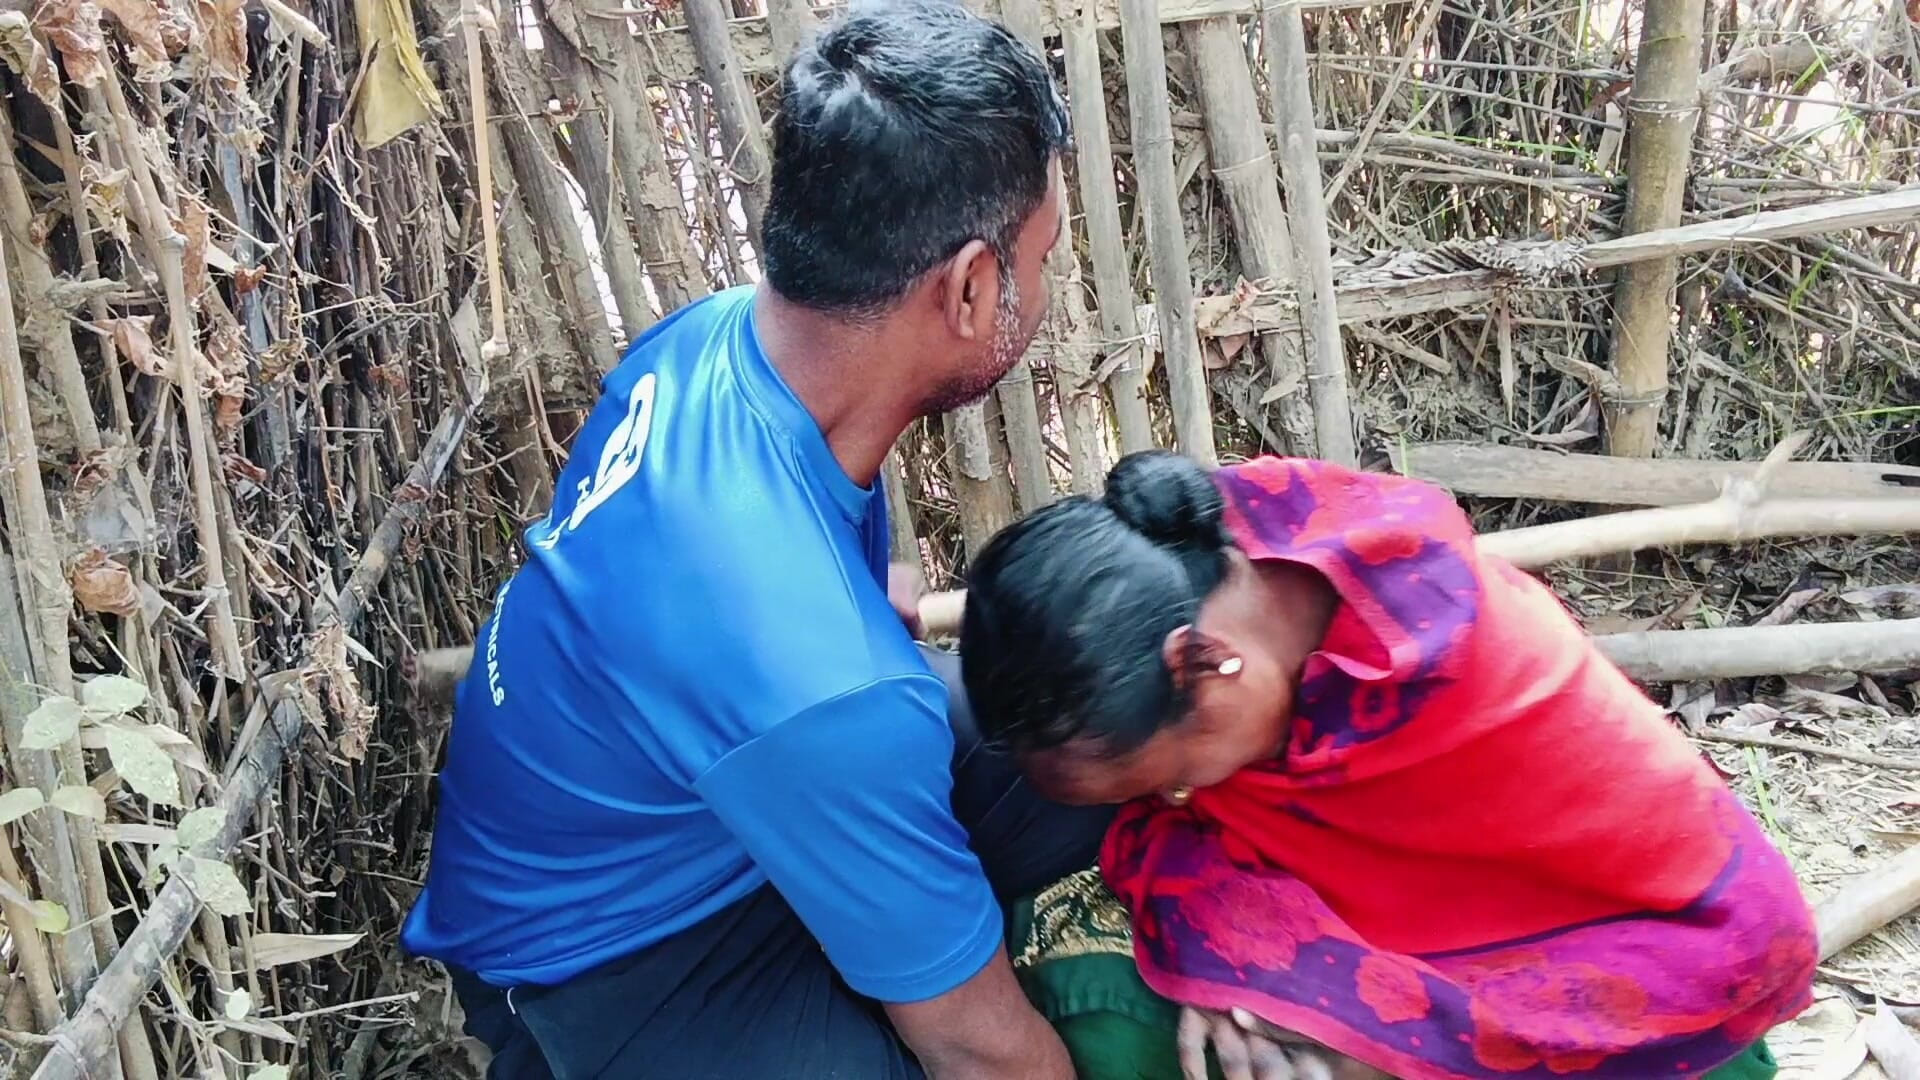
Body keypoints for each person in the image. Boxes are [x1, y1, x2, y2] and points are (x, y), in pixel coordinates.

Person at [399, 2, 1114, 1075]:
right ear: (969, 287)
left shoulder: (710, 341)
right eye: (1044, 256)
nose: (1049, 291)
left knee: (1087, 722)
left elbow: (762, 643)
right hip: (597, 962)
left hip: (703, 800)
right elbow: (982, 1052)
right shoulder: (821, 682)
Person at [961, 451, 1821, 1080]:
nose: (1175, 804)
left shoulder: (1467, 664)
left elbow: (1737, 931)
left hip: (1604, 960)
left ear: (1206, 665)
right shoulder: (1174, 571)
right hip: (1357, 925)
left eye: (1170, 781)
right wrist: (1234, 977)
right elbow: (1175, 838)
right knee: (1097, 990)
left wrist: (1356, 1041)